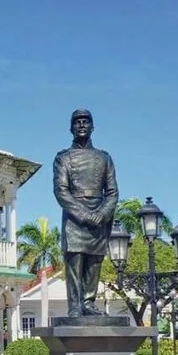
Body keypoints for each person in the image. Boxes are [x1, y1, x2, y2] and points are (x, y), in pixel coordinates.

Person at [52, 109, 119, 317]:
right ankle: (75, 306)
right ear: (71, 128)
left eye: (85, 121)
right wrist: (83, 215)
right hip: (74, 218)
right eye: (77, 122)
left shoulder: (104, 158)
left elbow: (112, 192)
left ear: (92, 127)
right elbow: (61, 191)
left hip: (99, 217)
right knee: (75, 262)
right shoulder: (63, 158)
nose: (81, 125)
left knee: (94, 263)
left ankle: (89, 303)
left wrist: (102, 214)